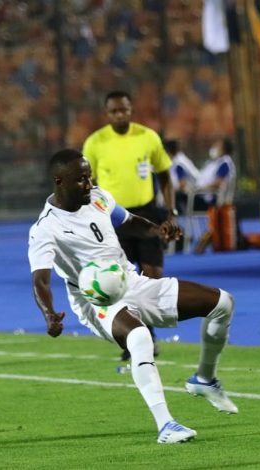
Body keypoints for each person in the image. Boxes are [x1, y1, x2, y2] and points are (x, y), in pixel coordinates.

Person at [28, 149, 238, 444]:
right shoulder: (45, 228)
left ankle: (205, 378)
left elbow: (128, 221)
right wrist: (49, 314)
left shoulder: (98, 197)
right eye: (81, 180)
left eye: (90, 177)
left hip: (131, 281)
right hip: (96, 300)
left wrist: (157, 230)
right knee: (140, 338)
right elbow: (41, 279)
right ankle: (166, 425)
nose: (89, 185)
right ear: (59, 181)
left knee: (222, 302)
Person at [82, 90, 177, 359]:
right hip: (112, 218)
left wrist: (171, 212)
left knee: (152, 276)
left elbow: (165, 176)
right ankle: (135, 339)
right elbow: (87, 183)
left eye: (123, 110)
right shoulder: (95, 143)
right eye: (114, 111)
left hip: (146, 215)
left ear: (131, 110)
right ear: (107, 114)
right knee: (118, 281)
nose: (119, 115)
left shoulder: (148, 137)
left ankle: (147, 334)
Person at [194, 138, 238, 254]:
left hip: (212, 199)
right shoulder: (213, 163)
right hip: (202, 195)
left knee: (180, 200)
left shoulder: (225, 164)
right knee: (182, 198)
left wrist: (200, 189)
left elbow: (218, 184)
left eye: (217, 146)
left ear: (223, 149)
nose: (214, 148)